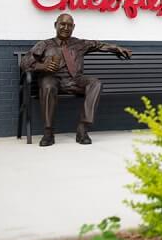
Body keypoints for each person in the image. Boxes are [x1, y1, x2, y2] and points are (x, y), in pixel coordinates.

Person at [20, 13, 132, 147]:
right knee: (48, 85)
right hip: (52, 79)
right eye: (62, 24)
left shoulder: (79, 44)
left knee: (95, 83)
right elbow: (24, 63)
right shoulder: (44, 45)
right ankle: (48, 132)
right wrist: (42, 66)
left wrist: (116, 48)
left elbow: (98, 45)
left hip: (73, 81)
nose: (65, 28)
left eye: (69, 25)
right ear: (56, 25)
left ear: (73, 27)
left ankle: (83, 128)